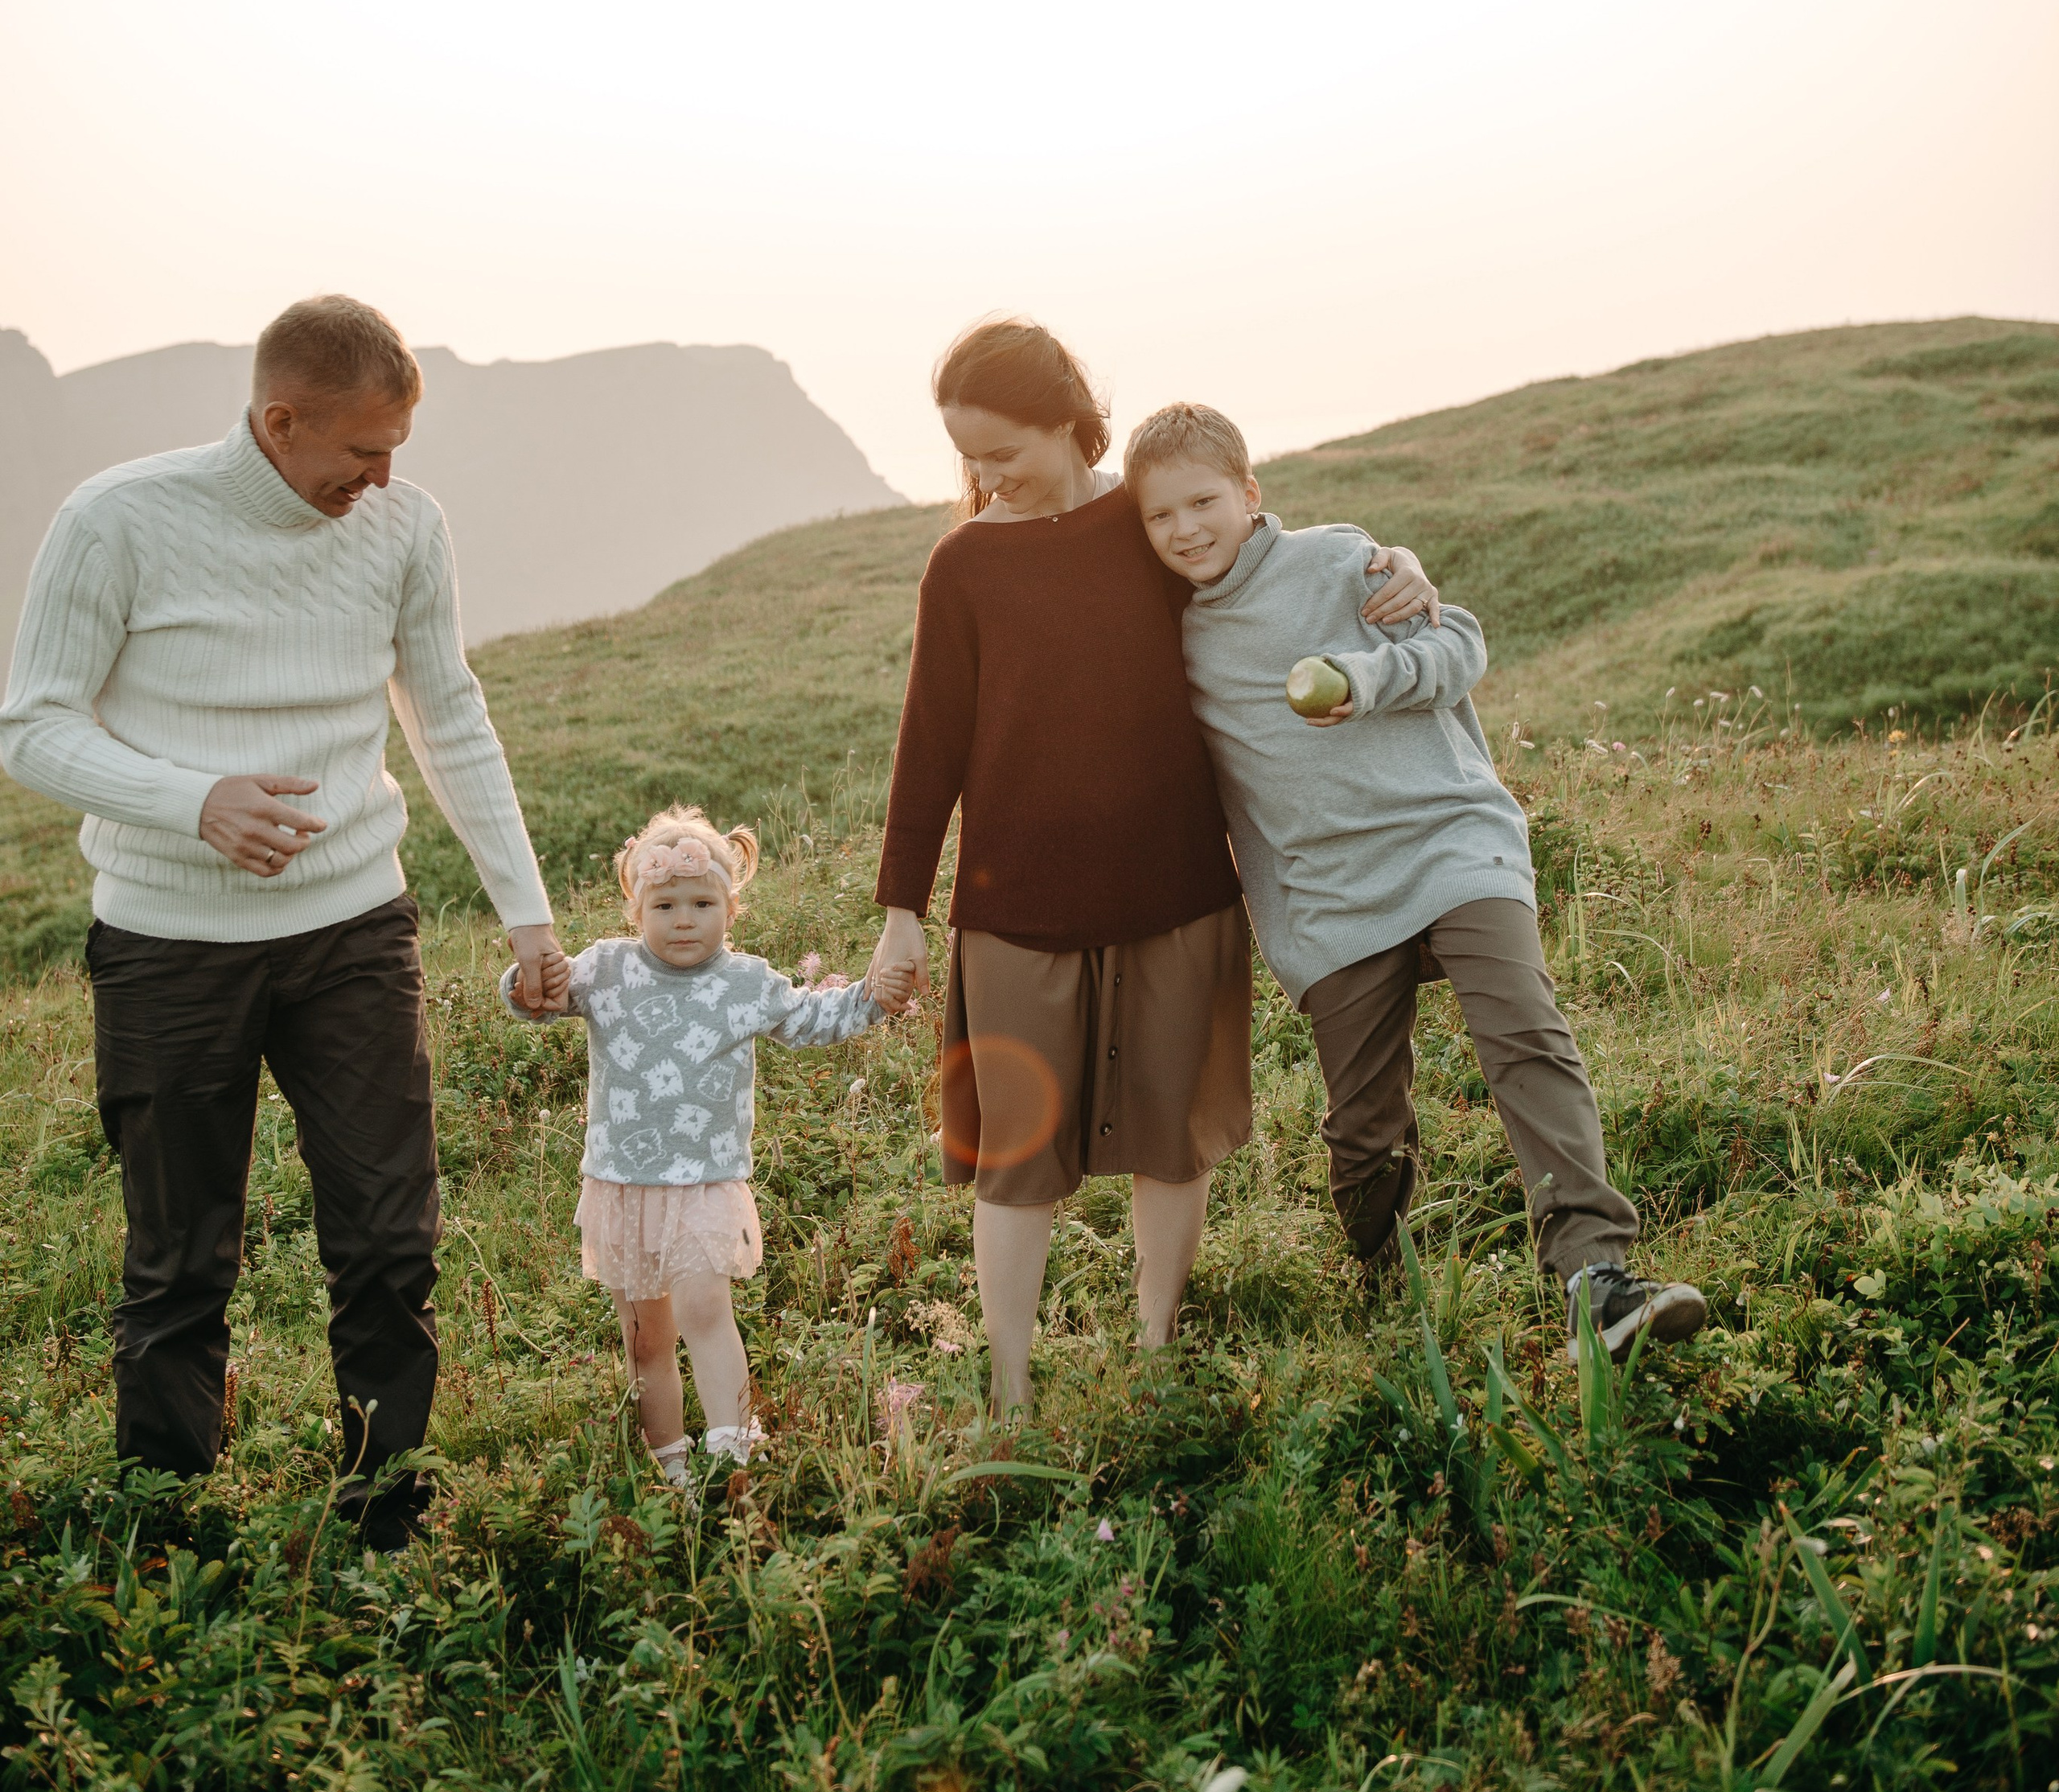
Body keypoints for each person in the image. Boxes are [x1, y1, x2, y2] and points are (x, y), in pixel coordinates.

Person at [0, 294, 568, 1545]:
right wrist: (192, 799)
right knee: (179, 1262)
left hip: (355, 929)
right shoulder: (117, 519)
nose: (382, 478)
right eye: (360, 452)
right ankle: (169, 1536)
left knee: (388, 1238)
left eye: (398, 450)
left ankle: (386, 1520)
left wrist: (526, 914)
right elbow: (30, 721)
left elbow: (449, 713)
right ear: (278, 418)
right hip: (164, 944)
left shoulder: (405, 526)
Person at [866, 318, 1436, 1412]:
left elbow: (1275, 569)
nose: (986, 476)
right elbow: (927, 741)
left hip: (1179, 891)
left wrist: (1394, 565)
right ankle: (1012, 1386)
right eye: (969, 458)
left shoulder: (1149, 525)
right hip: (1016, 910)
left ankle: (1156, 1344)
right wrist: (901, 909)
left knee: (1177, 1139)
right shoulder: (966, 563)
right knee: (1016, 1157)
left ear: (1068, 417)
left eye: (1003, 449)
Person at [1124, 400, 1708, 1364]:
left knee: (1525, 1033)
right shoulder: (1170, 637)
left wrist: (1366, 680)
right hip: (1328, 898)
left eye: (1204, 501)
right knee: (1364, 1128)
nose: (1186, 528)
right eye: (1160, 516)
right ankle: (1380, 1270)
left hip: (1448, 838)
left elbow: (1459, 644)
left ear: (1249, 492)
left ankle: (1593, 1278)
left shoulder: (1339, 559)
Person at [504, 804, 910, 1481]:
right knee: (646, 1339)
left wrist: (875, 996)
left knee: (703, 1308)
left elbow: (812, 1015)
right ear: (636, 909)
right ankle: (673, 1467)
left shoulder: (743, 981)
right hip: (624, 1184)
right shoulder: (607, 970)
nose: (684, 918)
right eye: (664, 904)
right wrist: (525, 985)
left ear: (731, 906)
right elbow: (540, 995)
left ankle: (732, 1453)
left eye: (701, 902)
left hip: (704, 1181)